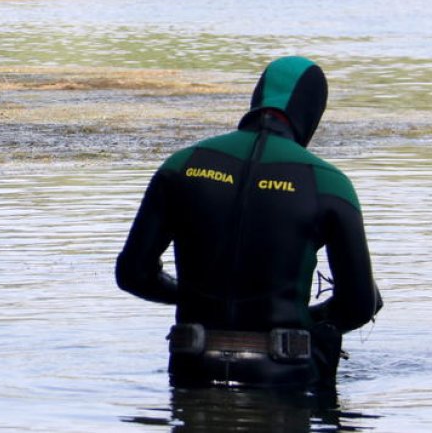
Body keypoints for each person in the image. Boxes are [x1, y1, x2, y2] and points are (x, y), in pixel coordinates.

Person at [116, 56, 381, 390]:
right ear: (312, 110)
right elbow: (359, 305)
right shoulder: (328, 182)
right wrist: (295, 314)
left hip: (192, 368)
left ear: (257, 98)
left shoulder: (182, 165)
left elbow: (134, 274)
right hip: (285, 379)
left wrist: (201, 296)